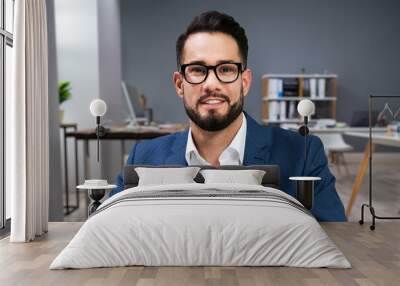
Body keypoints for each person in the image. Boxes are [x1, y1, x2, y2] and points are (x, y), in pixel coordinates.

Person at [110, 11, 346, 221]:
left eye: (225, 69)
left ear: (244, 82)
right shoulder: (144, 158)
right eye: (197, 70)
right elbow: (108, 230)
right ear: (179, 84)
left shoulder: (303, 155)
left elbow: (336, 239)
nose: (211, 84)